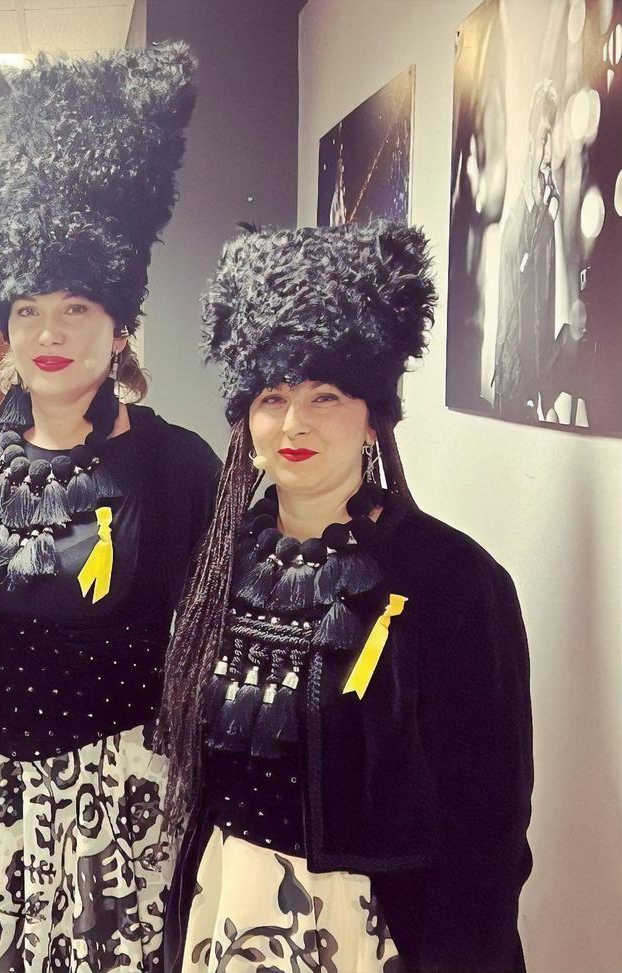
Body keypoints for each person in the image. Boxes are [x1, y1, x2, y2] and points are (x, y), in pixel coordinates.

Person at [159, 221, 534, 972]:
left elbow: (488, 825)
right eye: (272, 397)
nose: (294, 423)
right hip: (226, 903)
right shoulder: (220, 563)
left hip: (368, 928)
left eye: (325, 395)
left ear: (372, 417)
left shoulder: (452, 580)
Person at [0, 45, 221, 973]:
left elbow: (211, 639)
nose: (49, 333)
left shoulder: (177, 464)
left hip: (122, 789)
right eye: (27, 310)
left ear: (119, 323)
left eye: (75, 308)